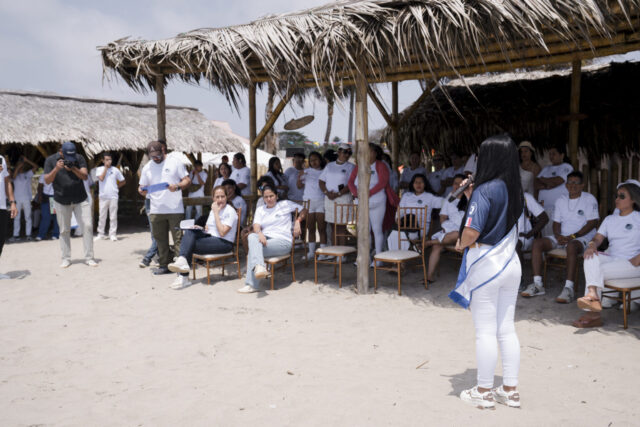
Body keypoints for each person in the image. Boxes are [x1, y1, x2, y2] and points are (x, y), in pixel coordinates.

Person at [449, 134, 524, 409]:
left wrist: (460, 243)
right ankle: (510, 390)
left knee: (485, 332)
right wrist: (471, 197)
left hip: (486, 263)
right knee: (506, 328)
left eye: (480, 155)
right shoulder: (514, 189)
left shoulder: (485, 189)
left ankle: (483, 391)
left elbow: (472, 231)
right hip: (510, 262)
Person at [522, 171, 599, 303]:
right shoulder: (561, 200)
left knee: (571, 246)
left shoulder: (589, 199)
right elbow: (556, 223)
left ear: (582, 185)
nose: (572, 185)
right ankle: (538, 284)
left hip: (582, 237)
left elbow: (592, 223)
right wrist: (558, 236)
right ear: (566, 185)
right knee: (537, 243)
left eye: (576, 183)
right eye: (569, 182)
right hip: (563, 236)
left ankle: (569, 288)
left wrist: (573, 236)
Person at [573, 180, 640, 327]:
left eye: (622, 196)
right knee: (590, 257)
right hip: (613, 260)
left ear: (633, 200)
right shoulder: (610, 219)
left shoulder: (638, 218)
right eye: (617, 196)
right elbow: (597, 239)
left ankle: (593, 314)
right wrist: (592, 245)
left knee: (596, 271)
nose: (617, 199)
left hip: (632, 264)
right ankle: (592, 295)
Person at [238, 185, 307, 293]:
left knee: (253, 251)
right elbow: (256, 225)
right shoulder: (260, 209)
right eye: (266, 197)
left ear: (276, 196)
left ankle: (252, 284)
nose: (269, 199)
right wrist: (259, 233)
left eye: (271, 196)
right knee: (252, 236)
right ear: (263, 198)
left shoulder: (285, 204)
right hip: (266, 240)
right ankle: (259, 267)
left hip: (283, 241)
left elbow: (304, 210)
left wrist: (298, 221)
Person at [168, 185, 239, 289]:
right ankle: (182, 263)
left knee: (189, 245)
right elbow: (208, 229)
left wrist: (216, 213)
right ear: (213, 198)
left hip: (224, 242)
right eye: (217, 197)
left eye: (222, 196)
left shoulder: (230, 211)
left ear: (226, 197)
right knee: (190, 231)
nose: (220, 200)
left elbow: (222, 232)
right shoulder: (213, 209)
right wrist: (200, 228)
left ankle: (183, 275)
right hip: (210, 238)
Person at [138, 141, 191, 275]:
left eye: (157, 155)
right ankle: (164, 265)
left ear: (163, 150)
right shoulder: (147, 167)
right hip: (156, 209)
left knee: (178, 239)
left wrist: (177, 186)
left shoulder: (175, 162)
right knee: (160, 239)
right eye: (152, 156)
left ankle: (181, 266)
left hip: (175, 209)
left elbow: (187, 180)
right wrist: (142, 190)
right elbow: (141, 187)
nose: (155, 158)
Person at [43, 141, 96, 268]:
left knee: (88, 226)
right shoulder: (50, 160)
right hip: (61, 200)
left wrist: (73, 168)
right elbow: (47, 180)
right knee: (64, 230)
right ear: (61, 151)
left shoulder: (79, 158)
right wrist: (56, 169)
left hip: (81, 199)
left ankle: (89, 258)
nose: (71, 158)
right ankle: (66, 259)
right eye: (68, 156)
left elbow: (84, 176)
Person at [348, 143, 399, 265]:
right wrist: (356, 193)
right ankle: (365, 257)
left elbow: (383, 182)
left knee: (377, 229)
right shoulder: (359, 166)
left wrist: (368, 193)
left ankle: (378, 258)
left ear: (375, 153)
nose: (368, 153)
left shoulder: (380, 165)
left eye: (370, 151)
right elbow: (350, 182)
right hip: (361, 202)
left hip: (377, 201)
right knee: (364, 230)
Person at [424, 174, 468, 283]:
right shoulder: (450, 198)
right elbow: (443, 217)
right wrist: (445, 227)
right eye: (455, 183)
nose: (457, 186)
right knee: (437, 247)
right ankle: (429, 277)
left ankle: (428, 242)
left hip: (464, 232)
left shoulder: (470, 198)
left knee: (457, 234)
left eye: (460, 184)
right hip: (449, 230)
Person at [387, 173, 442, 251]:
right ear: (412, 184)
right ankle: (402, 255)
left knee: (402, 232)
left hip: (421, 229)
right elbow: (400, 210)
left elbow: (445, 203)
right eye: (416, 182)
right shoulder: (406, 196)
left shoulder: (430, 197)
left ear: (425, 184)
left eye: (421, 182)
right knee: (393, 234)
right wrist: (398, 218)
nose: (418, 184)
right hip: (405, 225)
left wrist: (455, 194)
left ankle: (409, 250)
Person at [319, 144, 355, 249]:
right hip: (330, 198)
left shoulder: (351, 167)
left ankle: (342, 253)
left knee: (341, 227)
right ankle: (335, 251)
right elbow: (321, 181)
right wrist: (327, 192)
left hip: (343, 198)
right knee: (333, 226)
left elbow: (351, 184)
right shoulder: (329, 166)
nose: (347, 155)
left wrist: (338, 194)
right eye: (345, 152)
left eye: (349, 153)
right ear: (338, 152)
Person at [535, 145, 573, 235]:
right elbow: (536, 184)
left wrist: (543, 180)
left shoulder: (567, 167)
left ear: (562, 155)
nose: (551, 156)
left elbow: (557, 181)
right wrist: (548, 184)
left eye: (554, 154)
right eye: (550, 154)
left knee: (557, 235)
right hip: (544, 209)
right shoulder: (546, 169)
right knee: (546, 235)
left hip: (558, 209)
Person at [299, 151, 327, 259]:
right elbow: (299, 186)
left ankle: (323, 253)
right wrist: (299, 176)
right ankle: (311, 252)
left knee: (321, 228)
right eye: (311, 160)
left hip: (321, 201)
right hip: (309, 202)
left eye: (315, 160)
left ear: (320, 160)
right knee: (310, 228)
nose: (313, 162)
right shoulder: (306, 172)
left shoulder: (325, 171)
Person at [95, 153, 126, 241]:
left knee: (113, 216)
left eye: (110, 159)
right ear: (102, 160)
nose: (109, 161)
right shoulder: (99, 169)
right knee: (102, 216)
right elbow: (101, 178)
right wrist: (106, 168)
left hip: (113, 196)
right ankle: (100, 234)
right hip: (103, 196)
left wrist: (116, 187)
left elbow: (123, 181)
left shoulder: (115, 170)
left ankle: (112, 234)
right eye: (107, 159)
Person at [10, 155, 37, 241]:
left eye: (22, 164)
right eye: (19, 163)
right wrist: (18, 166)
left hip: (26, 198)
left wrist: (27, 160)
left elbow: (36, 167)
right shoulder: (15, 175)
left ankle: (28, 234)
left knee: (28, 217)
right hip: (17, 199)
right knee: (16, 217)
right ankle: (16, 235)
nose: (21, 165)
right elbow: (13, 177)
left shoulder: (28, 174)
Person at [0, 154, 18, 278]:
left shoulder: (1, 158)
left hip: (1, 206)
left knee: (1, 240)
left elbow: (7, 182)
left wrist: (12, 202)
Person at [516, 192, 548, 261]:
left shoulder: (525, 197)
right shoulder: (498, 196)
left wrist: (529, 234)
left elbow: (544, 218)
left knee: (514, 246)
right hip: (505, 238)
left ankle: (520, 268)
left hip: (523, 237)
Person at [35, 172, 59, 241]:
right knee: (45, 217)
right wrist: (39, 196)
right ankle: (41, 235)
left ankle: (56, 234)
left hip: (55, 196)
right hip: (46, 197)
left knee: (56, 217)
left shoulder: (59, 173)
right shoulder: (43, 174)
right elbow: (40, 186)